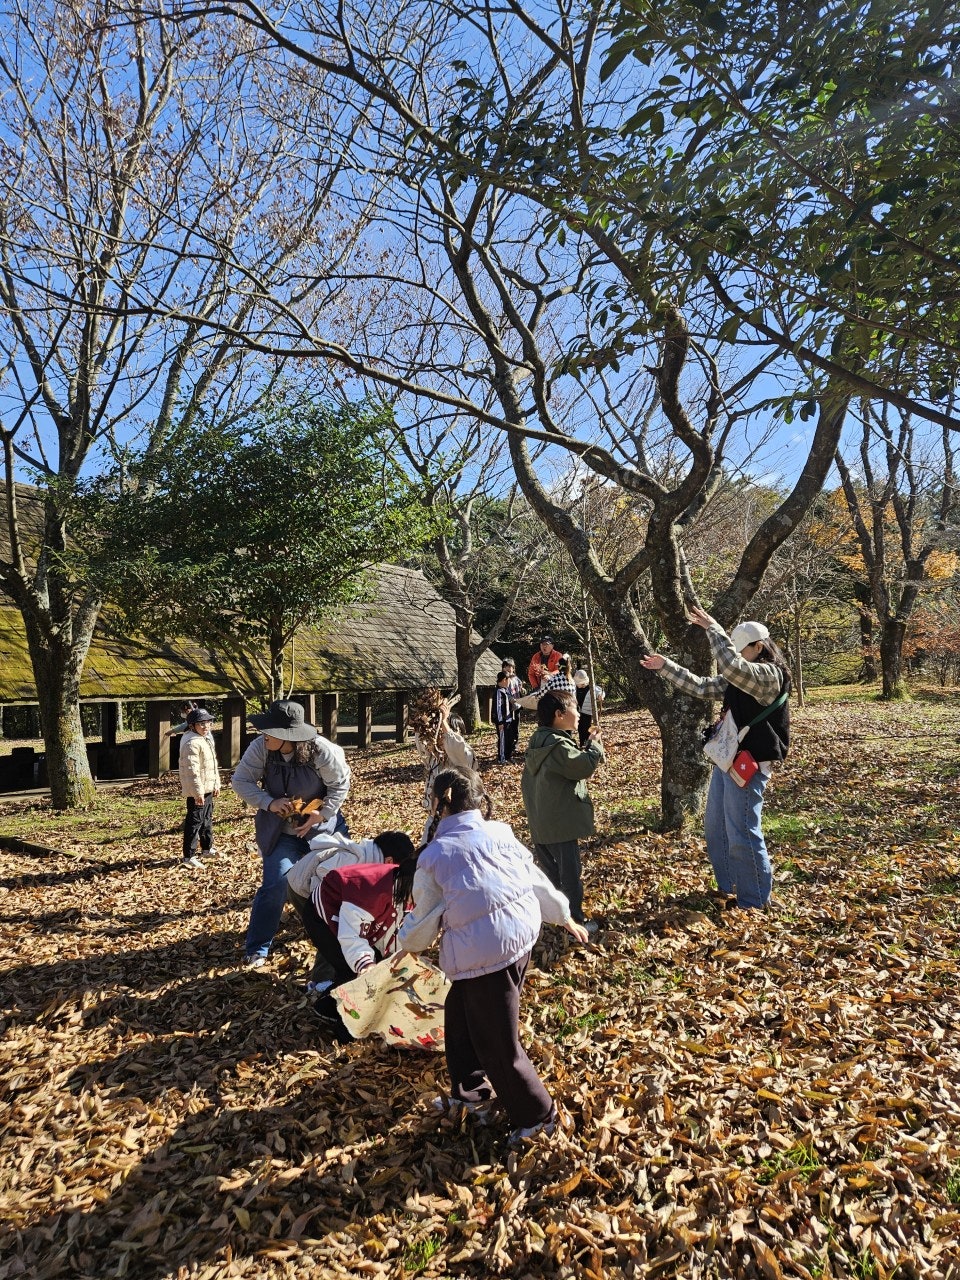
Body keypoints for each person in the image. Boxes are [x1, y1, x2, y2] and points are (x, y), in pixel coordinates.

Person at [399, 768, 589, 1142]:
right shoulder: (500, 832)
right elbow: (535, 878)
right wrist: (562, 914)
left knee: (497, 1042)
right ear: (478, 800)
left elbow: (421, 925)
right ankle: (472, 1094)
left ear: (437, 804)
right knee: (460, 1016)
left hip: (486, 953)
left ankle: (539, 1117)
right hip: (518, 938)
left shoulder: (435, 856)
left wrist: (403, 944)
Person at [640, 606, 791, 910]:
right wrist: (666, 666)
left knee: (742, 831)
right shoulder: (740, 675)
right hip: (728, 760)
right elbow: (702, 686)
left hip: (750, 764)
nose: (736, 656)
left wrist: (713, 628)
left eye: (741, 649)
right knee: (716, 827)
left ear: (758, 647)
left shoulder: (769, 675)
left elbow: (732, 667)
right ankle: (729, 885)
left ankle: (754, 900)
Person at [231, 699, 352, 967]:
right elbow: (240, 780)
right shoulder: (260, 748)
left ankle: (343, 941)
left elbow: (340, 783)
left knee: (335, 884)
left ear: (288, 736)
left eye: (270, 731)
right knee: (276, 884)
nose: (263, 735)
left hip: (323, 831)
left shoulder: (321, 750)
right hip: (281, 833)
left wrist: (322, 813)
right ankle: (258, 947)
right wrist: (269, 802)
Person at [305, 843, 421, 1040]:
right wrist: (365, 965)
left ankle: (327, 1005)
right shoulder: (369, 889)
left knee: (379, 966)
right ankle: (346, 1030)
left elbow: (395, 928)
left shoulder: (405, 889)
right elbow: (352, 937)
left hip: (356, 919)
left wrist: (396, 961)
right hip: (323, 914)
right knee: (355, 971)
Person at [285, 829, 415, 987]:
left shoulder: (373, 867)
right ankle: (321, 981)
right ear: (389, 861)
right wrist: (335, 911)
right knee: (331, 931)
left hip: (324, 891)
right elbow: (322, 878)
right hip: (302, 887)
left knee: (341, 929)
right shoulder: (352, 861)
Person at [521, 689, 604, 934]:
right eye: (574, 709)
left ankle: (555, 919)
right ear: (559, 714)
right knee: (570, 877)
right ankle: (575, 922)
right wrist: (595, 746)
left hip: (541, 823)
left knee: (551, 876)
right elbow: (582, 766)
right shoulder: (558, 745)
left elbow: (568, 765)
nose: (578, 714)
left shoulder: (539, 740)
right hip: (560, 825)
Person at [409, 688, 475, 811]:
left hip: (458, 814)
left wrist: (444, 721)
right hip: (435, 815)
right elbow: (421, 744)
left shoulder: (464, 755)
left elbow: (457, 747)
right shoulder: (434, 757)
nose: (443, 736)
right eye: (440, 732)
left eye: (447, 732)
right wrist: (422, 723)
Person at [178, 707, 220, 869]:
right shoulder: (191, 743)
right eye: (201, 724)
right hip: (198, 791)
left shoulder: (205, 739)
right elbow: (192, 772)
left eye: (208, 722)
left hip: (207, 788)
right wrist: (197, 793)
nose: (206, 726)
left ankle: (207, 849)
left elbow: (212, 766)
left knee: (206, 820)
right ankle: (189, 856)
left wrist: (216, 784)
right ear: (192, 726)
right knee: (194, 822)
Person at [573, 669, 605, 748]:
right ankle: (582, 744)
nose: (578, 685)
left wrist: (600, 696)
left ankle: (589, 746)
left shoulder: (591, 687)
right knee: (580, 730)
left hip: (588, 713)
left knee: (588, 730)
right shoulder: (575, 688)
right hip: (579, 713)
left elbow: (599, 692)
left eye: (579, 683)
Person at [500, 659, 524, 759]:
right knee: (508, 728)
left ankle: (515, 745)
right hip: (508, 707)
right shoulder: (503, 679)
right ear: (503, 668)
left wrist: (522, 690)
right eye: (507, 666)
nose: (510, 669)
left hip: (517, 706)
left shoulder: (516, 678)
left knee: (516, 727)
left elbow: (520, 687)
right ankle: (508, 747)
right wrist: (510, 699)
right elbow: (504, 691)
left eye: (511, 667)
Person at [492, 671, 517, 764]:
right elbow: (498, 708)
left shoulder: (505, 690)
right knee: (503, 740)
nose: (510, 682)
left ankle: (508, 756)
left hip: (509, 719)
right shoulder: (498, 692)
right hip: (502, 721)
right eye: (509, 680)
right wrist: (500, 722)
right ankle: (502, 758)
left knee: (510, 739)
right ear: (504, 680)